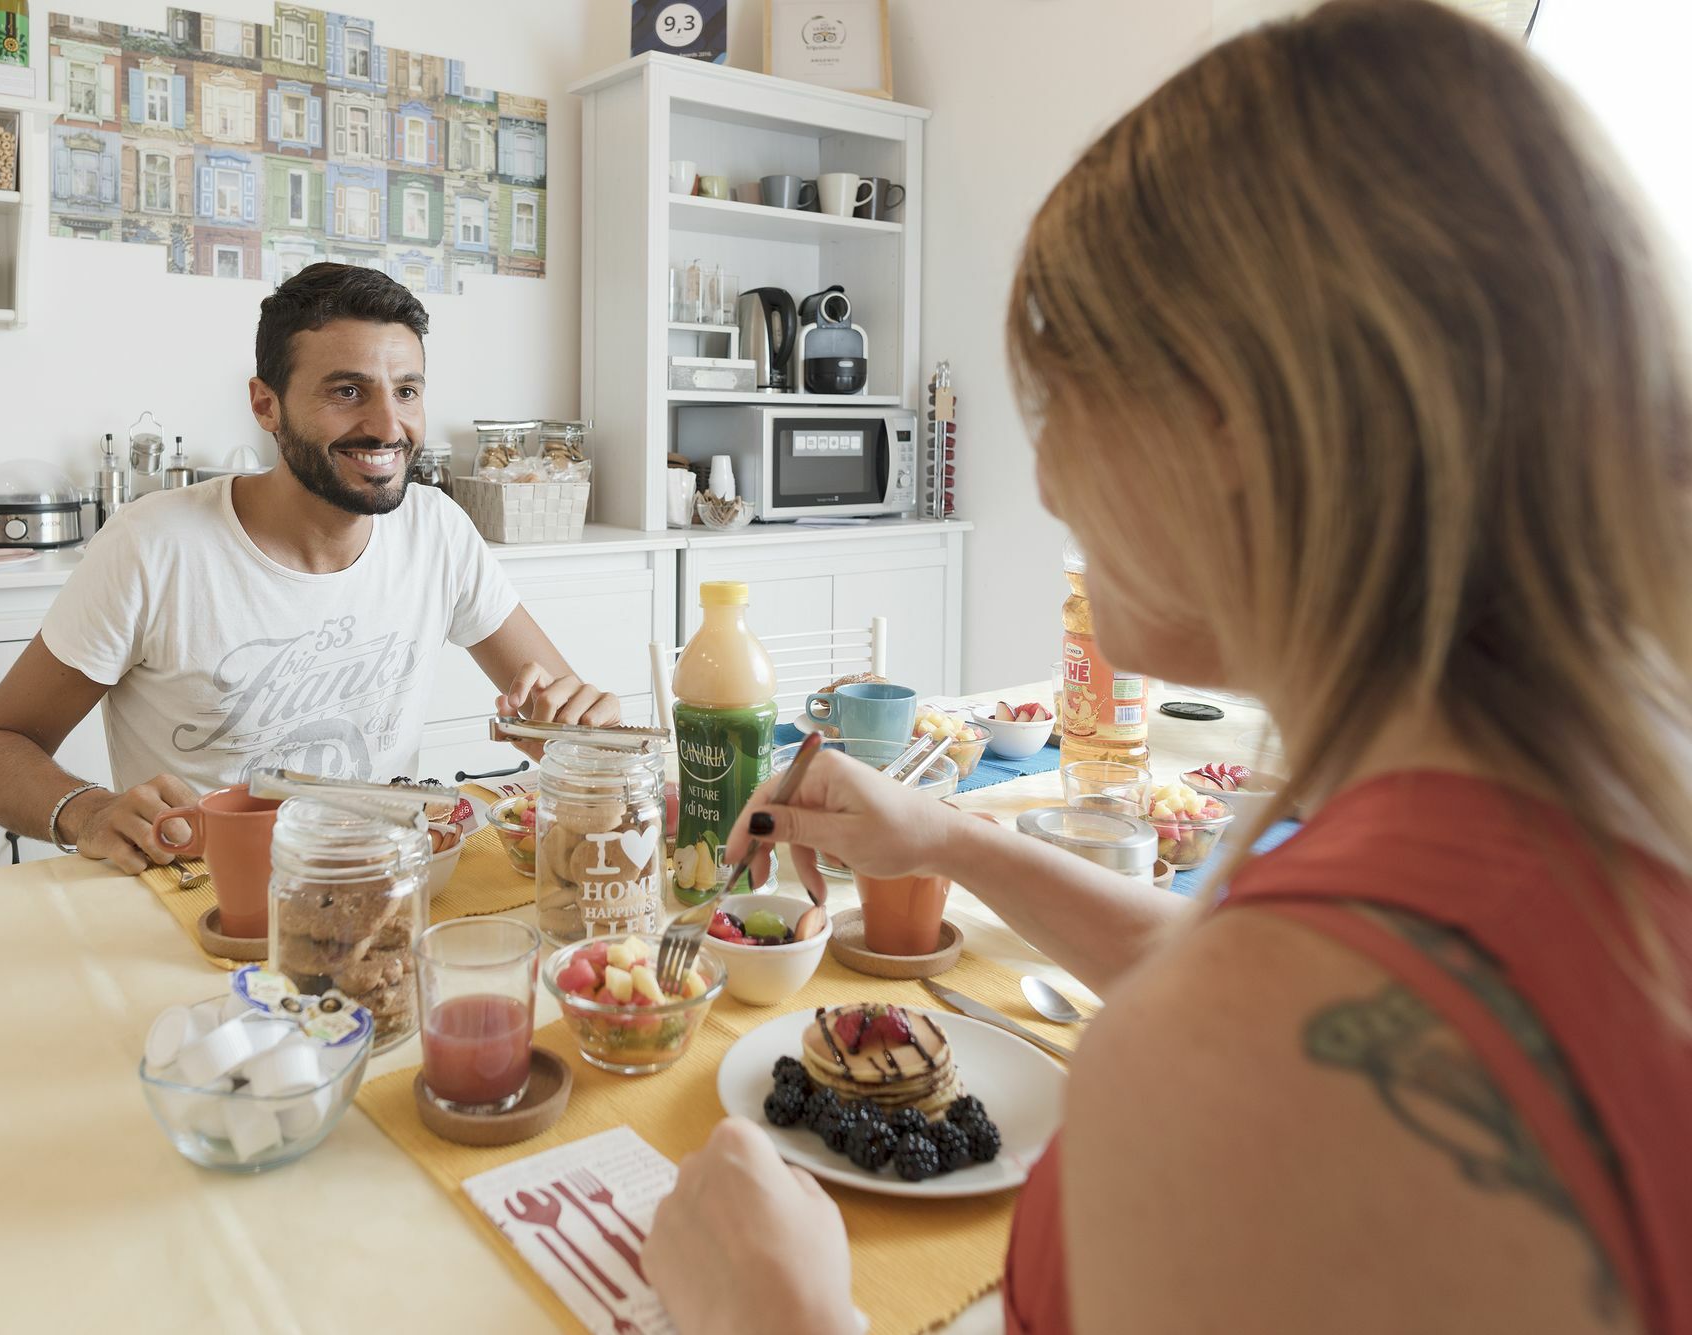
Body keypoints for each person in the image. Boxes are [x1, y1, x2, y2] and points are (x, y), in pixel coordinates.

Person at [644, 3, 1692, 1332]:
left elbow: (1245, 1024)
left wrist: (777, 1310)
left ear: (1225, 417)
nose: (1043, 475)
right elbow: (1249, 970)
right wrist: (947, 835)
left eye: (1060, 401)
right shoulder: (1584, 804)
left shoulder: (1231, 1067)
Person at [0, 264, 620, 873]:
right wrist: (89, 810)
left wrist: (578, 731)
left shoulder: (437, 530)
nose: (389, 425)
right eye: (348, 391)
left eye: (407, 390)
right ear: (266, 404)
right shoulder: (153, 546)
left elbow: (571, 730)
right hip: (205, 899)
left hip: (381, 892)